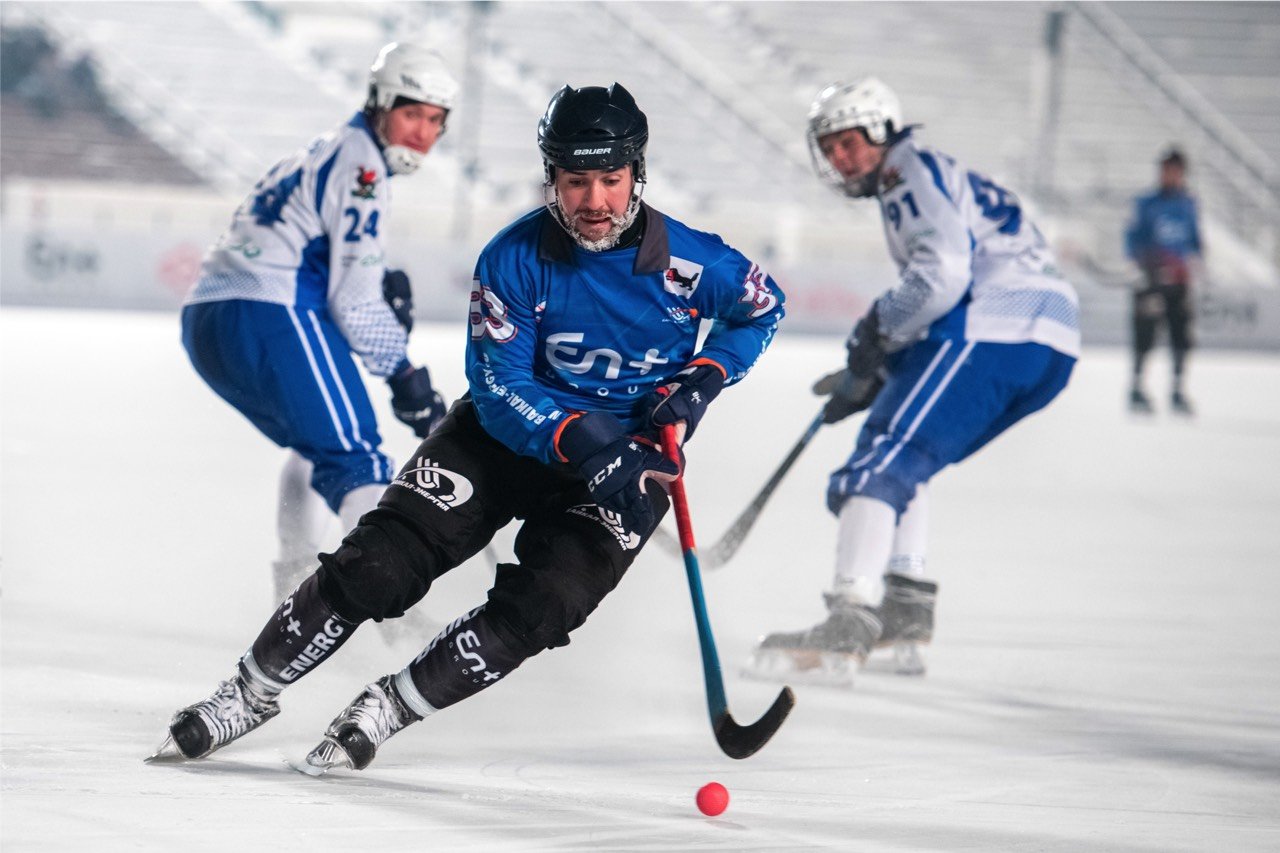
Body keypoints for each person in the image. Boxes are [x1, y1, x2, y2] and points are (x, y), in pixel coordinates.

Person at [150, 82, 786, 773]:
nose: (595, 201)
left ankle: (388, 707)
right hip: (501, 439)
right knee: (379, 564)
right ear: (554, 178)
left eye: (611, 178)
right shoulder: (513, 257)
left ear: (638, 173)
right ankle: (248, 692)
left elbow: (761, 308)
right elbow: (498, 384)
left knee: (544, 606)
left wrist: (705, 376)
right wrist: (580, 436)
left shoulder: (699, 263)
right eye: (576, 181)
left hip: (630, 463)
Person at [747, 78, 1079, 683]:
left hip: (997, 325)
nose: (839, 158)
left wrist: (877, 330)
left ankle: (848, 619)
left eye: (848, 142)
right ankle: (904, 607)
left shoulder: (907, 171)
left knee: (882, 458)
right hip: (1047, 338)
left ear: (880, 132)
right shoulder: (933, 170)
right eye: (830, 147)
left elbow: (942, 276)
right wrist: (887, 366)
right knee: (909, 456)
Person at [180, 43, 456, 602]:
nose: (422, 133)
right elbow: (352, 301)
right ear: (379, 103)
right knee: (357, 458)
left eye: (435, 120)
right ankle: (374, 612)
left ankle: (292, 587)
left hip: (209, 316)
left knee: (317, 446)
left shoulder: (326, 150)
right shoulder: (364, 168)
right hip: (266, 310)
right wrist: (405, 377)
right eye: (411, 114)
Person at [1124, 147, 1203, 416]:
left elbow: (1193, 239)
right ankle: (1136, 387)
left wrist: (1194, 261)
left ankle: (1178, 389)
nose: (1169, 175)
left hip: (1178, 281)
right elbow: (1133, 237)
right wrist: (1142, 265)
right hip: (1151, 278)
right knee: (1144, 333)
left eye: (1175, 170)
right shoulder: (1147, 203)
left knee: (1181, 334)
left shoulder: (1187, 204)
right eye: (1166, 170)